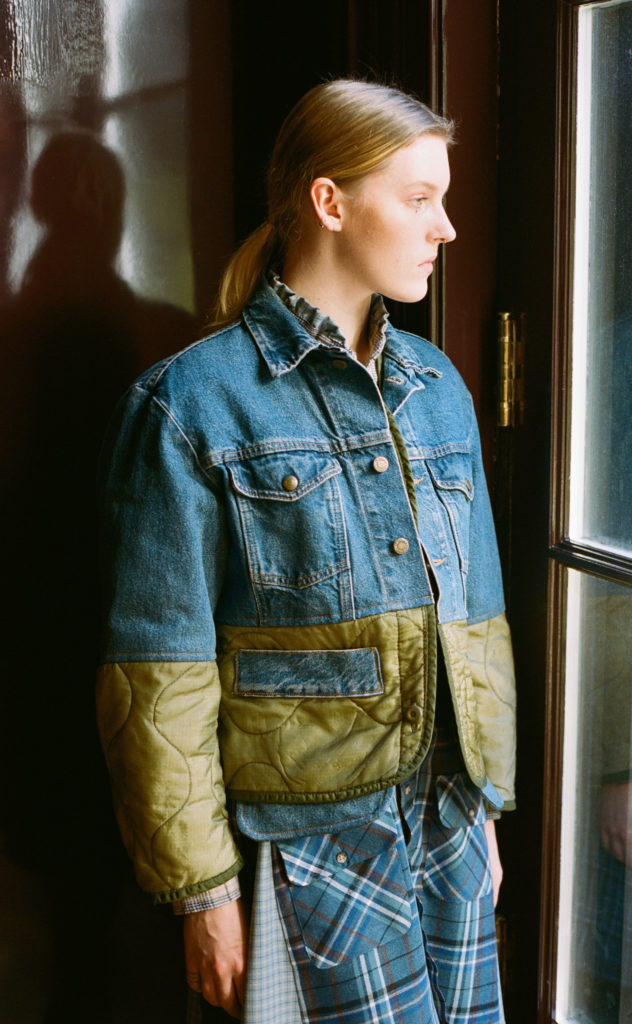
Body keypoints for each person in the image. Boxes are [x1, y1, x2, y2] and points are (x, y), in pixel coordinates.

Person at [96, 78, 516, 1024]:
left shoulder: (437, 388)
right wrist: (203, 897)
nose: (443, 227)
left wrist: (481, 807)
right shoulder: (190, 404)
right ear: (329, 201)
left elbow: (474, 618)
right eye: (418, 199)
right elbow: (157, 676)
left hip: (446, 827)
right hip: (306, 848)